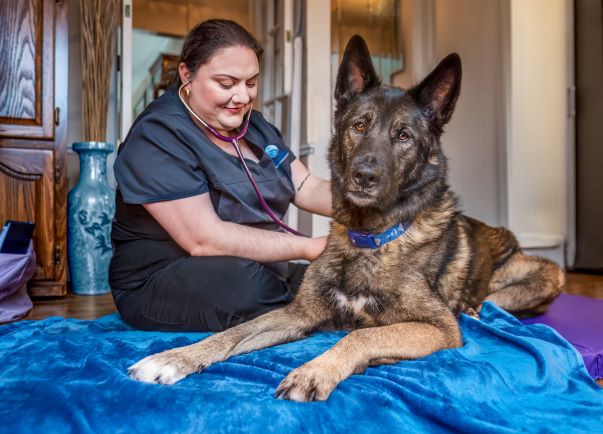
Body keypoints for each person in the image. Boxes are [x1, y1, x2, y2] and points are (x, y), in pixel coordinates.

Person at [109, 19, 331, 332]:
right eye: (226, 84)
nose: (242, 96)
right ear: (187, 75)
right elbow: (204, 239)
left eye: (251, 83)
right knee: (249, 287)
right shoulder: (157, 134)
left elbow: (307, 186)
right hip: (162, 278)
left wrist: (379, 199)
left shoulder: (255, 126)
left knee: (329, 281)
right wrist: (310, 247)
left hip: (258, 265)